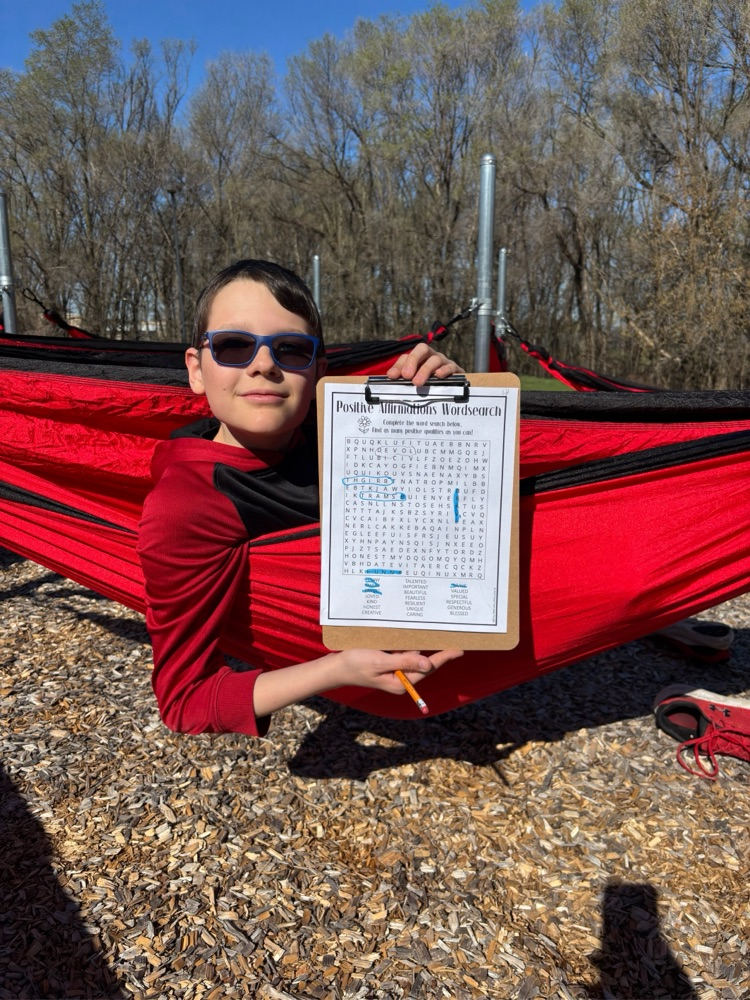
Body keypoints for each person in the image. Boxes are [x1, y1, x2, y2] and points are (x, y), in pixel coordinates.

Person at [138, 259, 464, 737]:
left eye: (291, 349)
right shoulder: (186, 507)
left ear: (318, 373)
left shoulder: (352, 436)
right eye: (233, 346)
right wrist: (335, 671)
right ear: (196, 370)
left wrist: (450, 400)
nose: (264, 364)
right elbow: (186, 702)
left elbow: (448, 496)